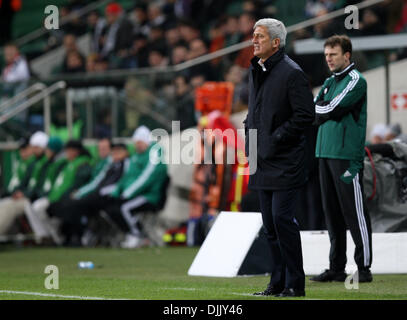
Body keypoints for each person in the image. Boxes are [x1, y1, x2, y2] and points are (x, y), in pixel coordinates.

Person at [244, 18, 314, 297]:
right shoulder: (256, 70)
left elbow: (305, 116)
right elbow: (255, 111)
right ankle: (277, 282)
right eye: (253, 35)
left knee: (282, 220)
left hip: (286, 160)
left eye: (259, 36)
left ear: (276, 42)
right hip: (261, 159)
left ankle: (295, 284)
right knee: (270, 225)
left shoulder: (292, 73)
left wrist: (275, 138)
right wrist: (249, 134)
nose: (254, 40)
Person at [311, 35, 373, 283]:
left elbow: (330, 108)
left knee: (354, 212)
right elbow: (314, 110)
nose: (329, 59)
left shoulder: (357, 80)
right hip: (324, 152)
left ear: (347, 55)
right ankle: (337, 267)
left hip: (346, 155)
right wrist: (322, 107)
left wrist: (323, 107)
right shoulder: (328, 82)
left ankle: (364, 268)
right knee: (332, 213)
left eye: (333, 54)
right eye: (326, 55)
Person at [103, 126, 168, 249]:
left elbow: (147, 177)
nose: (137, 145)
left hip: (150, 196)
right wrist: (116, 192)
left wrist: (127, 193)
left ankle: (137, 235)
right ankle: (132, 233)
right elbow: (127, 177)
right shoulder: (136, 156)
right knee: (110, 208)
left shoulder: (155, 152)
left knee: (124, 208)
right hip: (135, 194)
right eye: (136, 143)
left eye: (139, 142)